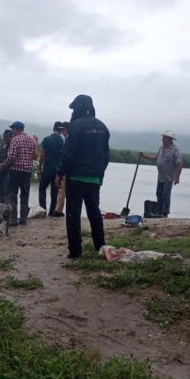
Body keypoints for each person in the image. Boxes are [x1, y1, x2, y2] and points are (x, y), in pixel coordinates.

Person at [56, 95, 110, 259]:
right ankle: (100, 247)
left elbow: (69, 154)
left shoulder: (75, 127)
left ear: (78, 108)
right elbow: (105, 155)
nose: (72, 112)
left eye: (73, 109)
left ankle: (75, 251)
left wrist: (59, 173)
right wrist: (100, 173)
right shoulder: (103, 127)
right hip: (94, 178)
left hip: (76, 177)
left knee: (73, 213)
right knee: (94, 212)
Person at [0, 121, 37, 226]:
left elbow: (11, 157)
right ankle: (23, 219)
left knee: (13, 195)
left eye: (13, 129)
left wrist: (3, 164)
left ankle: (14, 219)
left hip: (15, 171)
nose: (12, 131)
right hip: (27, 172)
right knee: (25, 195)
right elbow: (35, 156)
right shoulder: (32, 140)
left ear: (16, 129)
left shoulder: (15, 140)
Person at [139, 131, 183, 217]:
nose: (162, 139)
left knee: (166, 195)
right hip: (160, 176)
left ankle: (165, 213)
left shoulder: (175, 150)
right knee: (159, 193)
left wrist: (177, 177)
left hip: (169, 177)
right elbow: (155, 157)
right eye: (163, 138)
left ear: (169, 139)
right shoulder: (161, 148)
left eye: (164, 138)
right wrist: (144, 155)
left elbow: (180, 163)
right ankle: (159, 211)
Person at [38, 122, 65, 216]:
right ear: (60, 130)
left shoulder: (46, 139)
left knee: (42, 190)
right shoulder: (62, 141)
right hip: (58, 171)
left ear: (53, 128)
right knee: (54, 192)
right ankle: (51, 213)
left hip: (47, 169)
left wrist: (39, 168)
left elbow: (42, 155)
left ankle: (43, 211)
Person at [53, 122, 69, 216]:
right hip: (69, 170)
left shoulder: (68, 140)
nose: (62, 131)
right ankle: (59, 210)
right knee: (63, 191)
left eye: (63, 129)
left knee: (62, 191)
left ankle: (58, 210)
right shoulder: (65, 140)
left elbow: (65, 157)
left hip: (66, 170)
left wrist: (60, 172)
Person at [0, 129, 13, 202]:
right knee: (1, 191)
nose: (5, 138)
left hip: (7, 173)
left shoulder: (12, 147)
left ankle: (6, 209)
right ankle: (1, 207)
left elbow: (11, 160)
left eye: (7, 137)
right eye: (4, 137)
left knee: (6, 192)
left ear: (11, 137)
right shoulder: (2, 146)